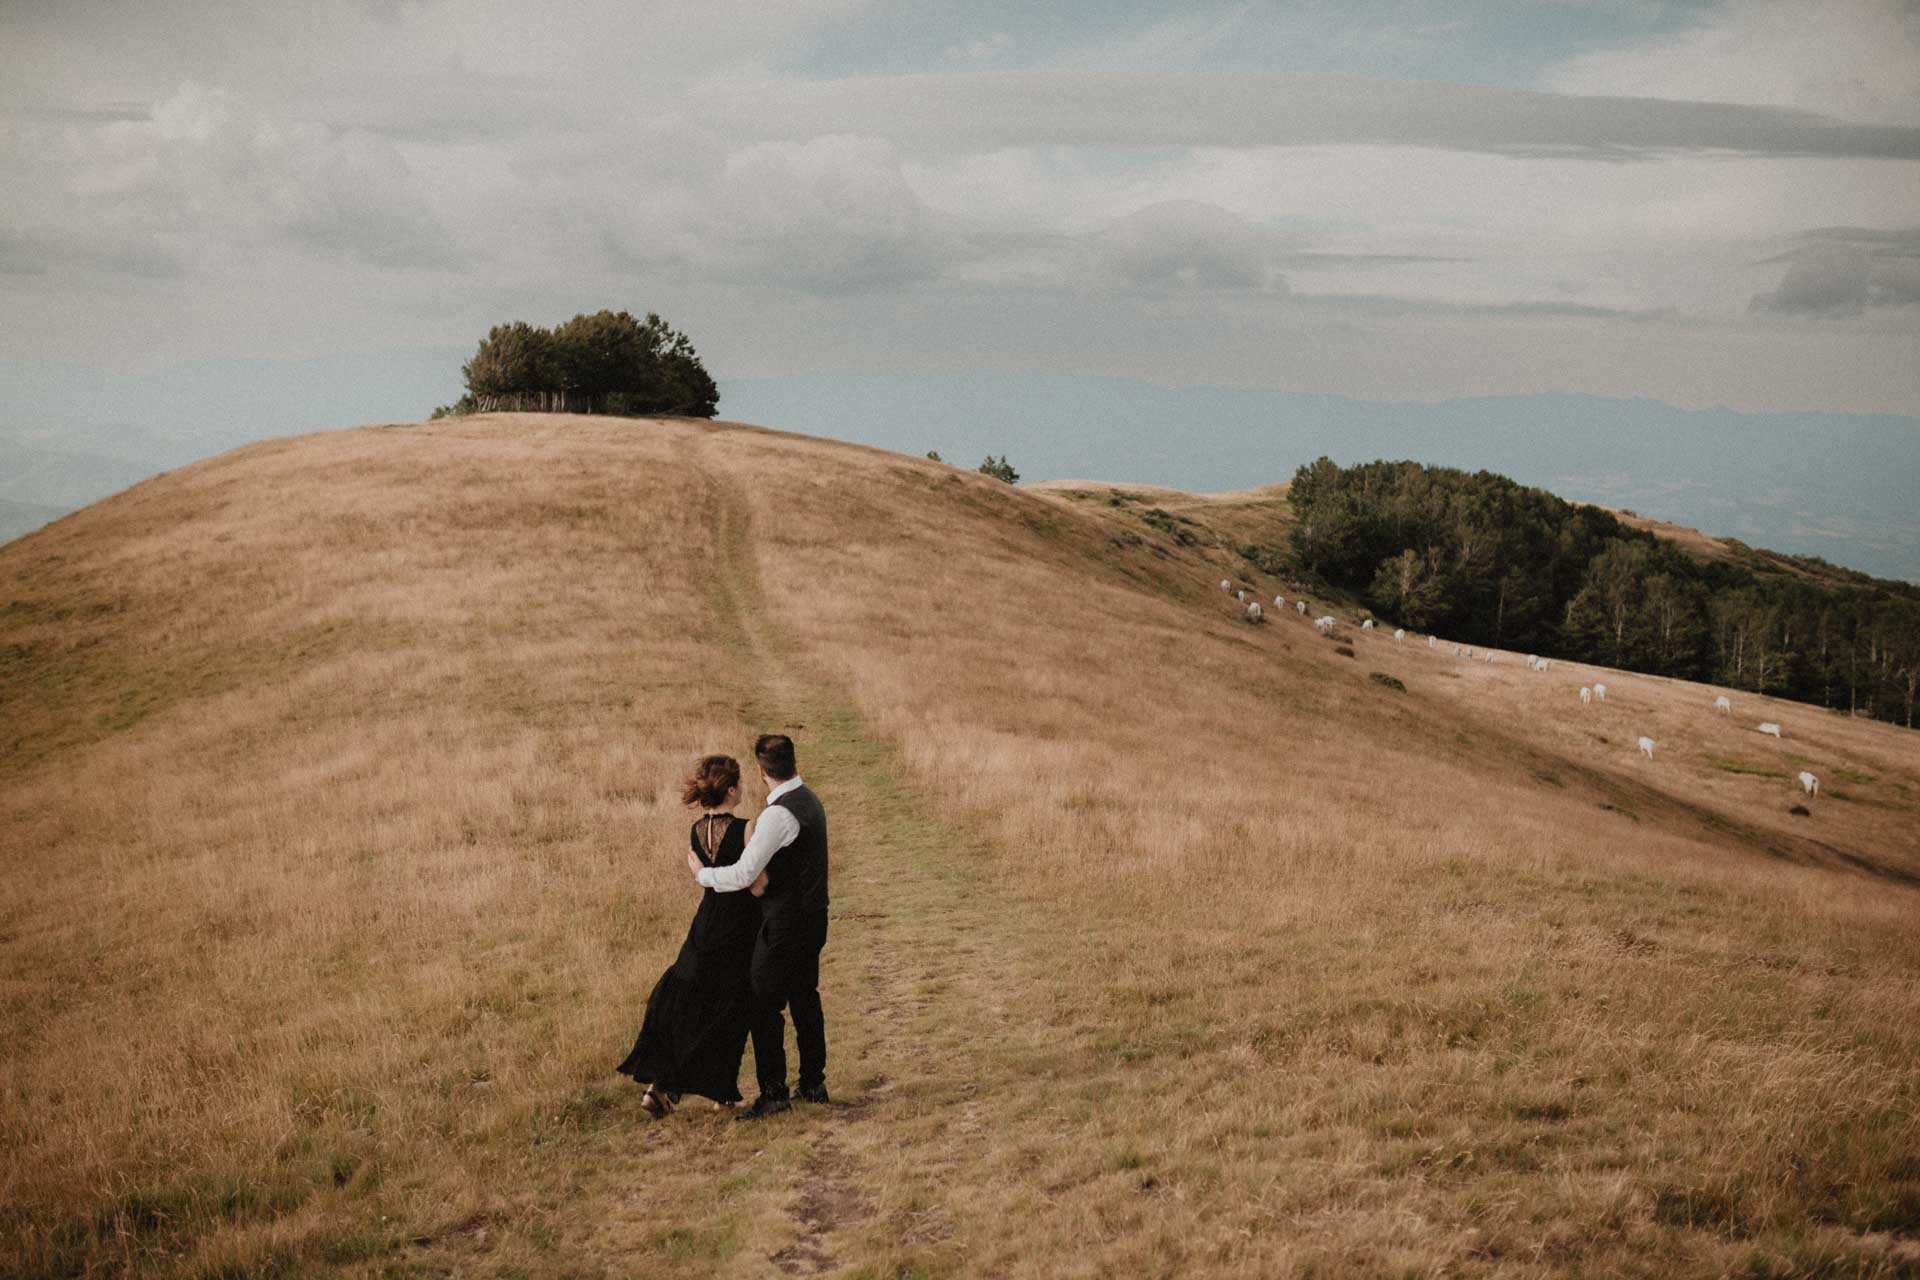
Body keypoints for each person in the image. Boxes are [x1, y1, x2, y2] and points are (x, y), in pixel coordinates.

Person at [689, 733, 829, 1119]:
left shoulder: (777, 815)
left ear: (760, 771)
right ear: (793, 762)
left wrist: (703, 875)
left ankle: (774, 1092)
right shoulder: (811, 802)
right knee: (804, 997)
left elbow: (744, 873)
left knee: (762, 1004)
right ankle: (814, 1082)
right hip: (815, 917)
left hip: (785, 925)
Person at [617, 755, 766, 1117]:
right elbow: (758, 886)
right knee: (731, 1008)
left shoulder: (696, 830)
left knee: (688, 1001)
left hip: (706, 922)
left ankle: (660, 1085)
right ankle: (722, 1094)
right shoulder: (747, 829)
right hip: (738, 927)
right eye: (740, 783)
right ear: (731, 790)